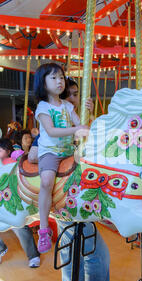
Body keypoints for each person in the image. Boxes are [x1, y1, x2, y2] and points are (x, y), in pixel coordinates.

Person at [58, 76, 110, 281]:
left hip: (78, 189)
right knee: (94, 256)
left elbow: (97, 141)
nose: (74, 98)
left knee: (73, 254)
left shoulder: (78, 118)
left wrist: (92, 116)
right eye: (69, 94)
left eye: (76, 93)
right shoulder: (60, 119)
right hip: (69, 190)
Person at [33, 63, 90, 254]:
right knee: (47, 181)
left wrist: (86, 118)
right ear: (43, 82)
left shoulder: (67, 105)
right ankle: (43, 228)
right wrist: (77, 129)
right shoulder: (43, 107)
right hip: (50, 152)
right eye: (54, 77)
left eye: (61, 77)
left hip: (68, 151)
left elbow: (79, 125)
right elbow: (50, 130)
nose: (59, 81)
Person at [0, 138, 40, 268]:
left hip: (12, 198)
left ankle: (33, 255)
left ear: (8, 151)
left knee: (20, 225)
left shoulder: (13, 163)